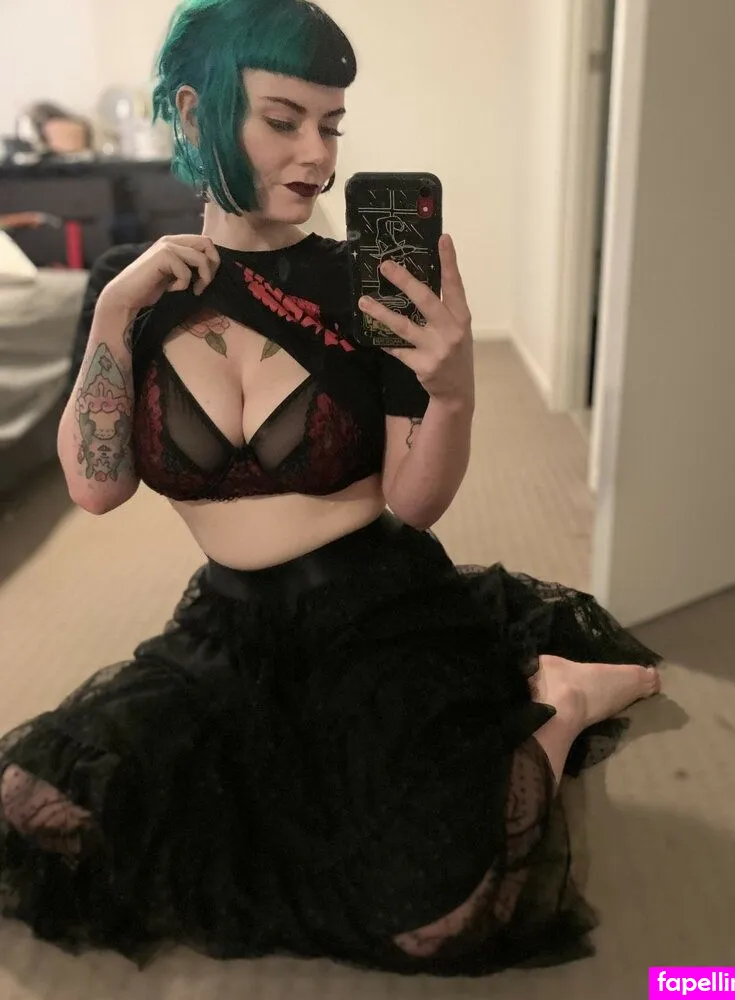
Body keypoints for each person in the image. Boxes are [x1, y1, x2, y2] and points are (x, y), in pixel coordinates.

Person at [0, 0, 663, 978]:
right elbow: (97, 489)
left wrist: (453, 391)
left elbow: (415, 502)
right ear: (196, 110)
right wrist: (112, 314)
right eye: (284, 120)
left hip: (377, 614)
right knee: (32, 804)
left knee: (439, 921)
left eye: (332, 124)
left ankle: (554, 701)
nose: (318, 155)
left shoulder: (363, 281)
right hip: (224, 630)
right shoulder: (130, 288)